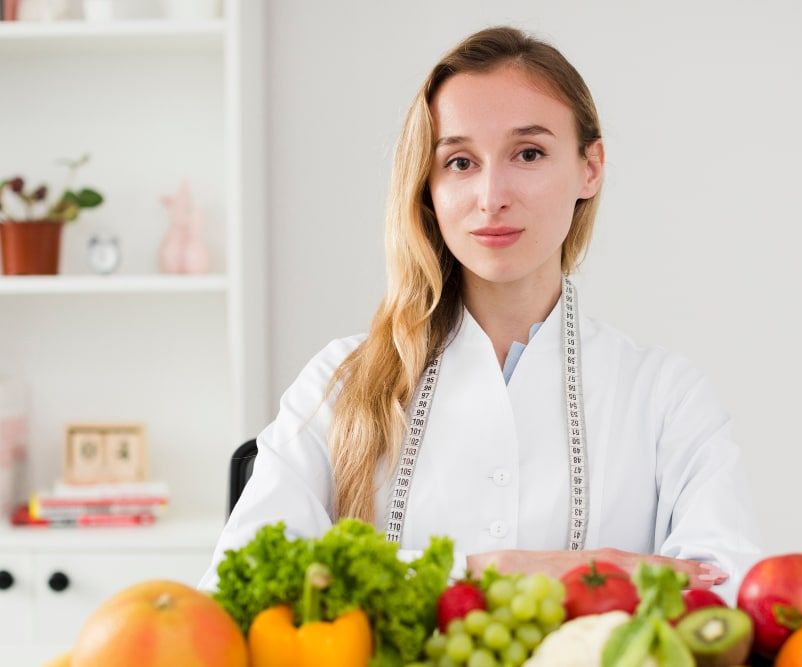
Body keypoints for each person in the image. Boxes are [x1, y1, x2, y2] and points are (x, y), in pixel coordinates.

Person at [199, 25, 761, 604]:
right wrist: (509, 570)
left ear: (589, 167)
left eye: (528, 153)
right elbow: (240, 587)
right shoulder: (339, 382)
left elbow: (723, 594)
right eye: (461, 162)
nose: (492, 196)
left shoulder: (666, 397)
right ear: (428, 186)